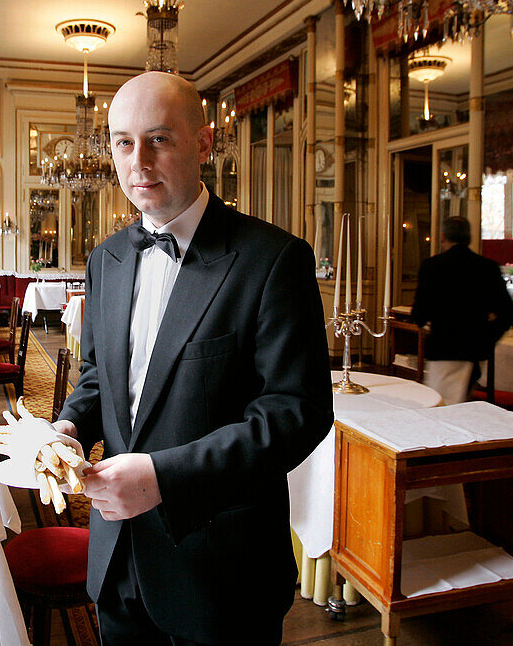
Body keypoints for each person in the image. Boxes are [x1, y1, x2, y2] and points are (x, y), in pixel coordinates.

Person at [54, 71, 333, 644]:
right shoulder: (105, 259)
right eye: (123, 142)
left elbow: (296, 413)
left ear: (204, 144)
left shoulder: (272, 259)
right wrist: (68, 427)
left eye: (159, 139)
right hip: (117, 562)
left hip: (221, 573)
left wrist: (164, 478)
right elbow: (98, 377)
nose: (138, 162)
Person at [411, 215, 513, 404]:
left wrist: (423, 324)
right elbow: (508, 313)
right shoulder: (487, 267)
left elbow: (419, 312)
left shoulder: (432, 266)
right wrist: (487, 338)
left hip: (443, 348)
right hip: (473, 350)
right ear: (469, 238)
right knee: (461, 405)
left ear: (443, 236)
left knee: (439, 406)